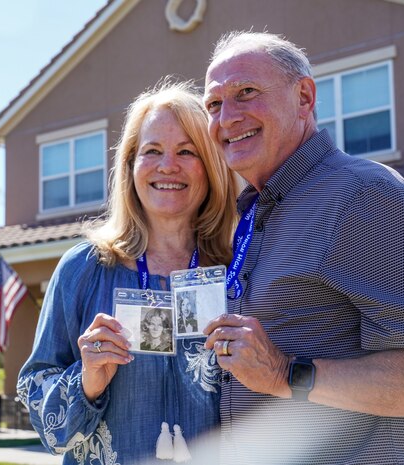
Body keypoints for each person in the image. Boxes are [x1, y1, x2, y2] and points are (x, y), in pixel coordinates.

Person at [202, 31, 404, 464]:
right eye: (214, 104)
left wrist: (284, 374)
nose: (227, 118)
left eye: (246, 93)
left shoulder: (365, 195)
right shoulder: (258, 212)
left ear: (305, 97)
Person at [17, 81, 241, 464]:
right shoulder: (84, 268)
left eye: (187, 151)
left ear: (211, 167)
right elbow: (39, 404)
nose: (167, 165)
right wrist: (86, 380)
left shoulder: (236, 270)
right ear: (130, 167)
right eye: (152, 150)